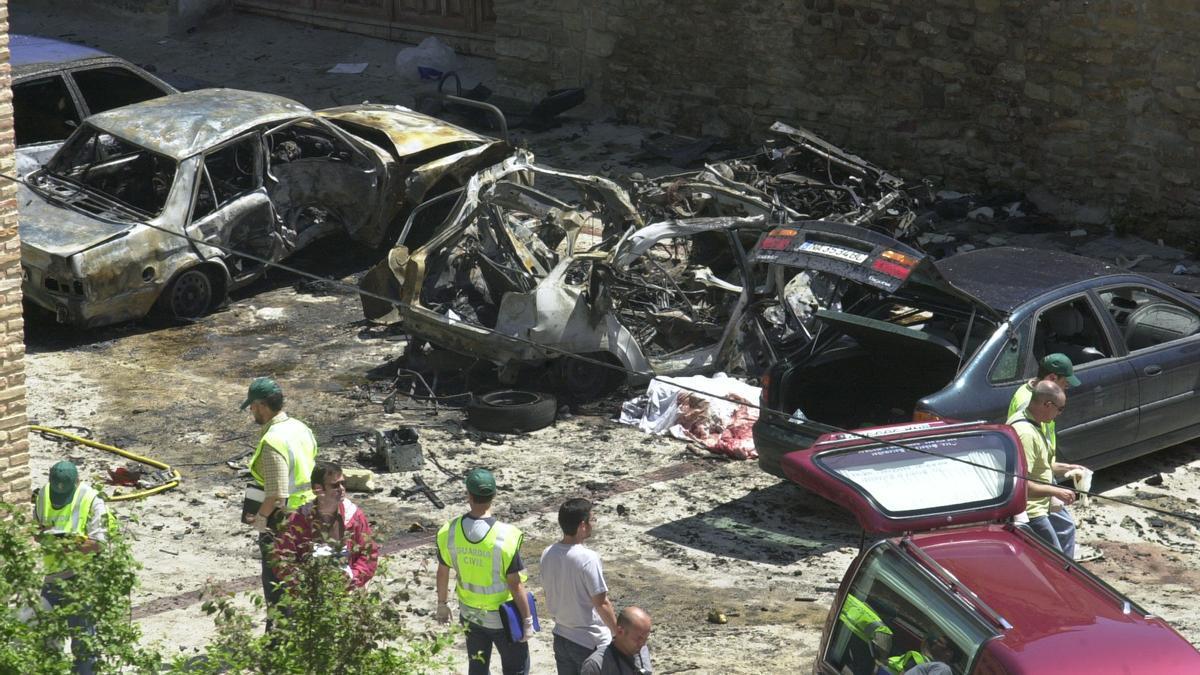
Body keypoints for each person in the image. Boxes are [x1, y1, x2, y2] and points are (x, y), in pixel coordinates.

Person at [436, 468, 533, 675]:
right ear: (494, 495)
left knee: (478, 668)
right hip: (503, 619)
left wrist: (442, 604)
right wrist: (527, 620)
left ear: (468, 495)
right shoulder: (507, 536)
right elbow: (515, 584)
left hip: (470, 615)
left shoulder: (449, 531)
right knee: (516, 669)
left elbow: (443, 572)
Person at [240, 376, 319, 623]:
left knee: (277, 583)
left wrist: (262, 518)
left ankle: (278, 641)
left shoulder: (273, 440)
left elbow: (276, 494)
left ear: (262, 405)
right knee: (303, 579)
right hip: (311, 514)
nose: (251, 412)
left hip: (284, 522)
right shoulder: (300, 428)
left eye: (252, 407)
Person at [33, 461, 114, 675]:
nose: (58, 499)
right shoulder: (43, 494)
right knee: (45, 635)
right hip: (52, 578)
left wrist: (64, 545)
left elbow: (98, 543)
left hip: (82, 579)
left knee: (83, 642)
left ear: (77, 482)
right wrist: (44, 536)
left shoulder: (93, 500)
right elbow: (36, 530)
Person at [541, 498, 619, 674]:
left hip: (561, 636)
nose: (594, 523)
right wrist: (617, 633)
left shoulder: (548, 553)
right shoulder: (587, 558)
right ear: (582, 525)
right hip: (589, 642)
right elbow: (601, 603)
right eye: (592, 519)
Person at [1008, 381, 1086, 557]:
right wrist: (1056, 491)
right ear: (1047, 405)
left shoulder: (1032, 421)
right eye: (1060, 409)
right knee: (1056, 562)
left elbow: (1040, 465)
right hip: (1032, 512)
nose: (1060, 414)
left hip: (1041, 508)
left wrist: (1068, 468)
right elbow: (1021, 484)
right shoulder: (1026, 433)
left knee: (1066, 534)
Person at [273, 462, 379, 589]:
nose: (341, 489)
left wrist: (353, 579)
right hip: (310, 595)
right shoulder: (298, 520)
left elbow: (369, 554)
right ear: (318, 489)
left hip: (349, 592)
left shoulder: (354, 516)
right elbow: (281, 560)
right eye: (335, 485)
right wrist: (303, 584)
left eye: (343, 483)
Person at [1007, 352, 1081, 451]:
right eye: (1065, 384)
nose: (1065, 389)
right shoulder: (1029, 404)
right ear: (1052, 378)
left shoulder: (1032, 392)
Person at [581, 606, 652, 675]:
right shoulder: (596, 665)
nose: (642, 643)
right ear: (620, 631)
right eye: (639, 638)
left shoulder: (642, 650)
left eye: (645, 638)